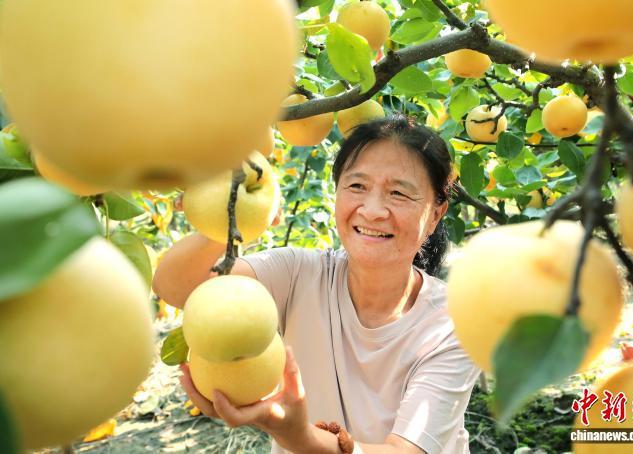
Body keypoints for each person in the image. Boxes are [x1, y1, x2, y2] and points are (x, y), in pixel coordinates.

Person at [153, 115, 481, 453]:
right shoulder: (300, 274)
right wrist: (230, 212)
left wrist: (296, 434)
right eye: (357, 186)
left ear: (436, 213)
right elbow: (177, 287)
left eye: (398, 193)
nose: (372, 210)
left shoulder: (451, 323)